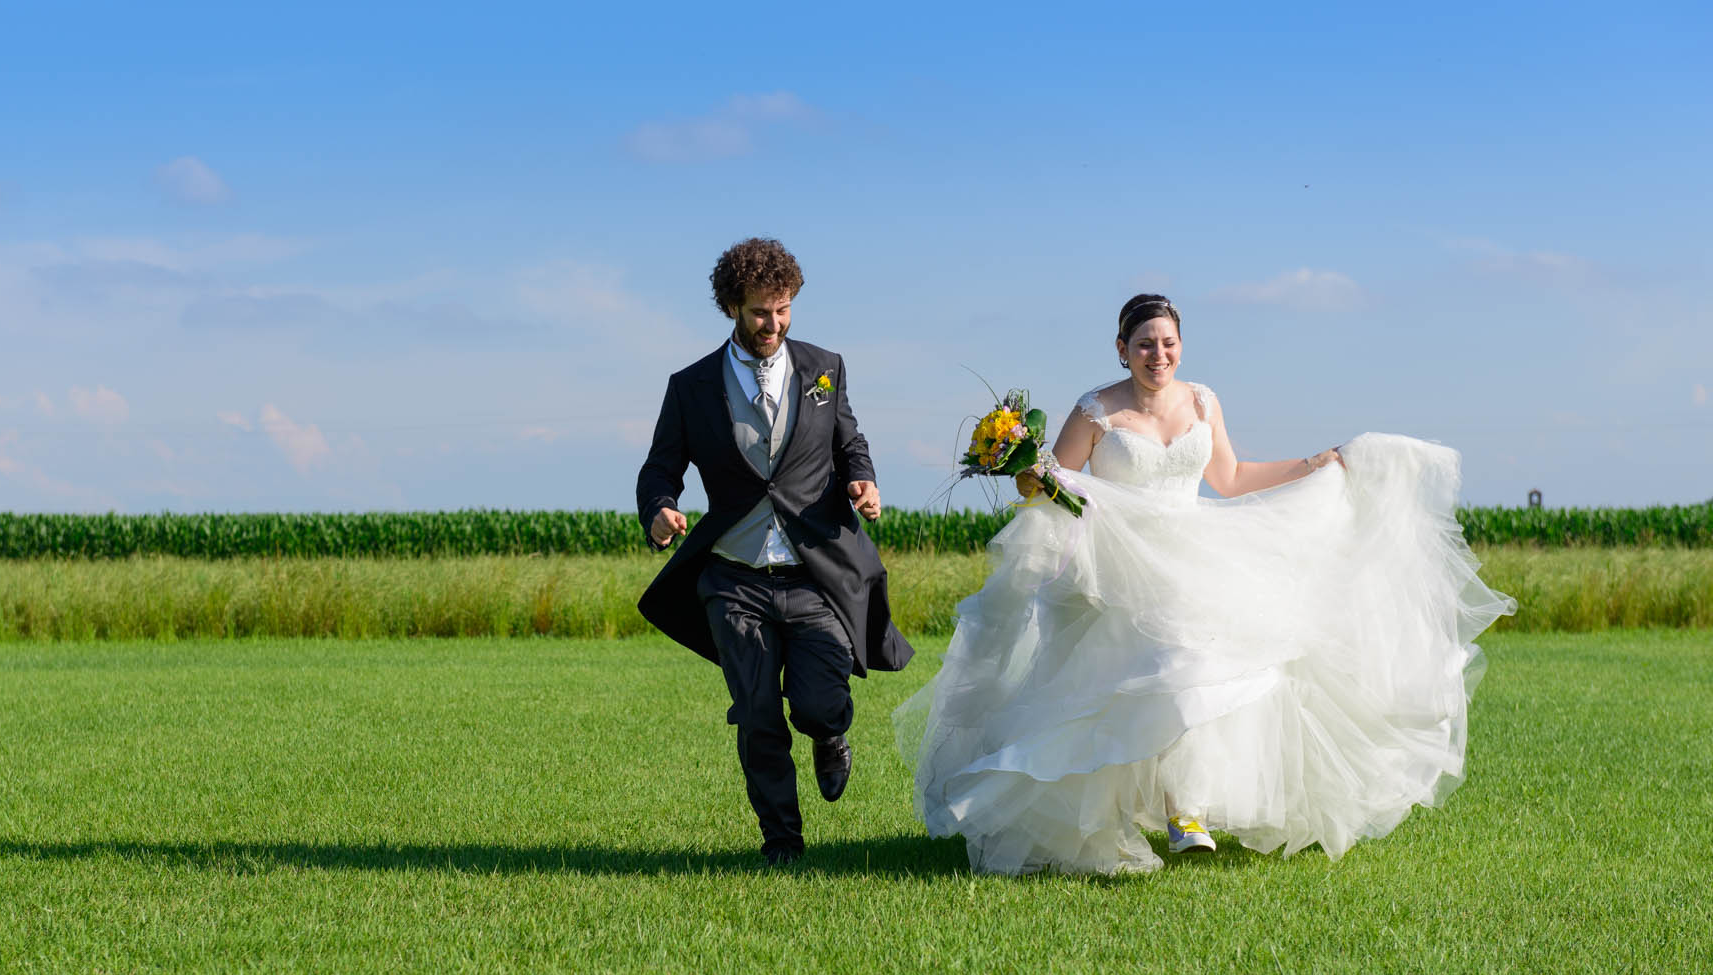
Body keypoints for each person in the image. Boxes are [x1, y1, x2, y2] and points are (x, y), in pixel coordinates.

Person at [896, 294, 1514, 876]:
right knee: (1151, 672)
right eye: (1143, 344)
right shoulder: (1095, 411)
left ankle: (1185, 807)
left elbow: (1232, 476)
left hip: (1192, 556)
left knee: (1197, 664)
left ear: (1181, 347)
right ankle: (1166, 811)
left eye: (1166, 343)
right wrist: (1022, 466)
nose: (1156, 355)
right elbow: (1052, 484)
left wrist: (1311, 467)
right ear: (1121, 349)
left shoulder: (1203, 404)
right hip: (1119, 567)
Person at [637, 237, 913, 867]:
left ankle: (831, 733)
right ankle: (782, 844)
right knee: (758, 715)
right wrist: (658, 510)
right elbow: (659, 469)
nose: (775, 324)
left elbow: (851, 443)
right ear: (733, 306)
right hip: (733, 580)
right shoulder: (691, 386)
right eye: (761, 312)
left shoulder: (825, 367)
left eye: (784, 310)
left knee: (819, 704)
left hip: (815, 573)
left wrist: (862, 480)